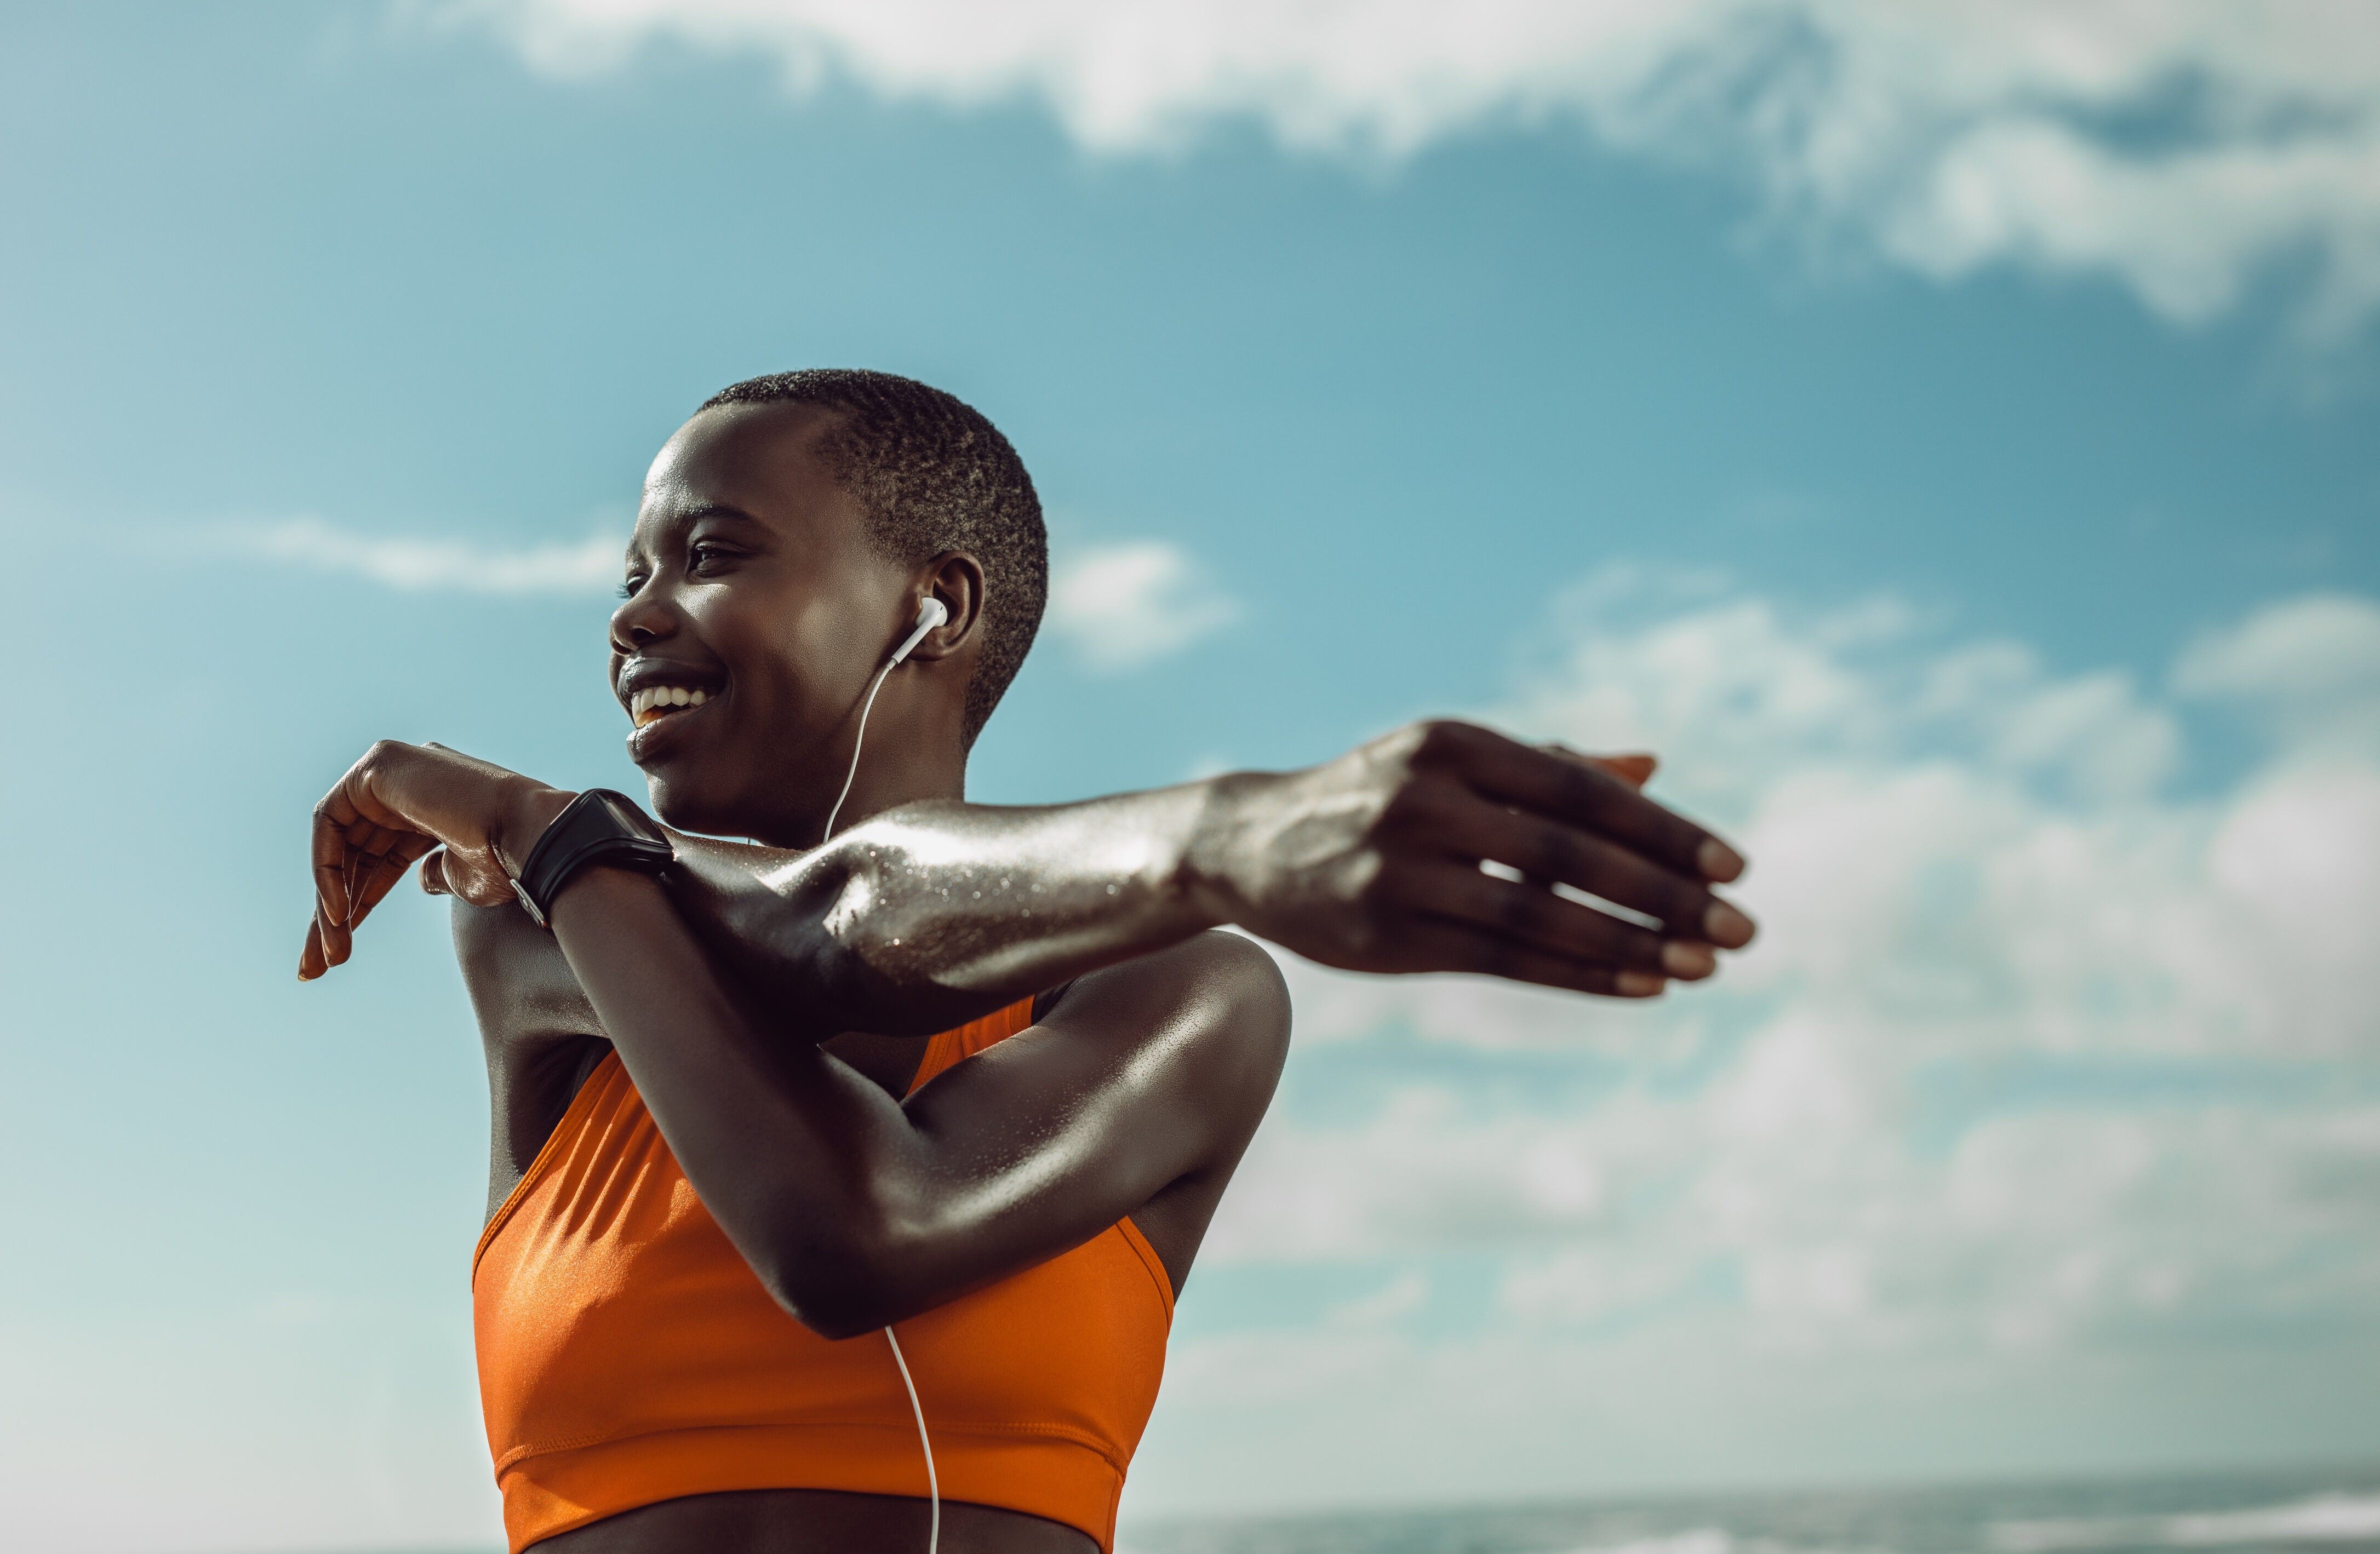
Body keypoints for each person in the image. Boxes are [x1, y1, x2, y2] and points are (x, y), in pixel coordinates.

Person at [299, 369, 1756, 1554]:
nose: (632, 614)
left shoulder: (1182, 997)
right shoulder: (542, 915)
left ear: (938, 607)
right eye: (630, 572)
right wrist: (1241, 832)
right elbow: (810, 930)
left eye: (713, 554)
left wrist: (1228, 848)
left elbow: (859, 1216)